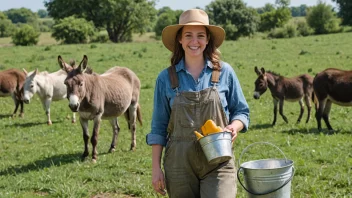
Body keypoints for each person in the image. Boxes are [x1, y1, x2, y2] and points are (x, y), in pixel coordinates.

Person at [146, 9, 250, 198]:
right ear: (179, 39)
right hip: (179, 165)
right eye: (188, 35)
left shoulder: (224, 72)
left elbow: (241, 111)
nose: (195, 41)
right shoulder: (165, 78)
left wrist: (234, 127)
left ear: (208, 39)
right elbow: (158, 128)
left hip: (219, 160)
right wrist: (156, 169)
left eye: (200, 35)